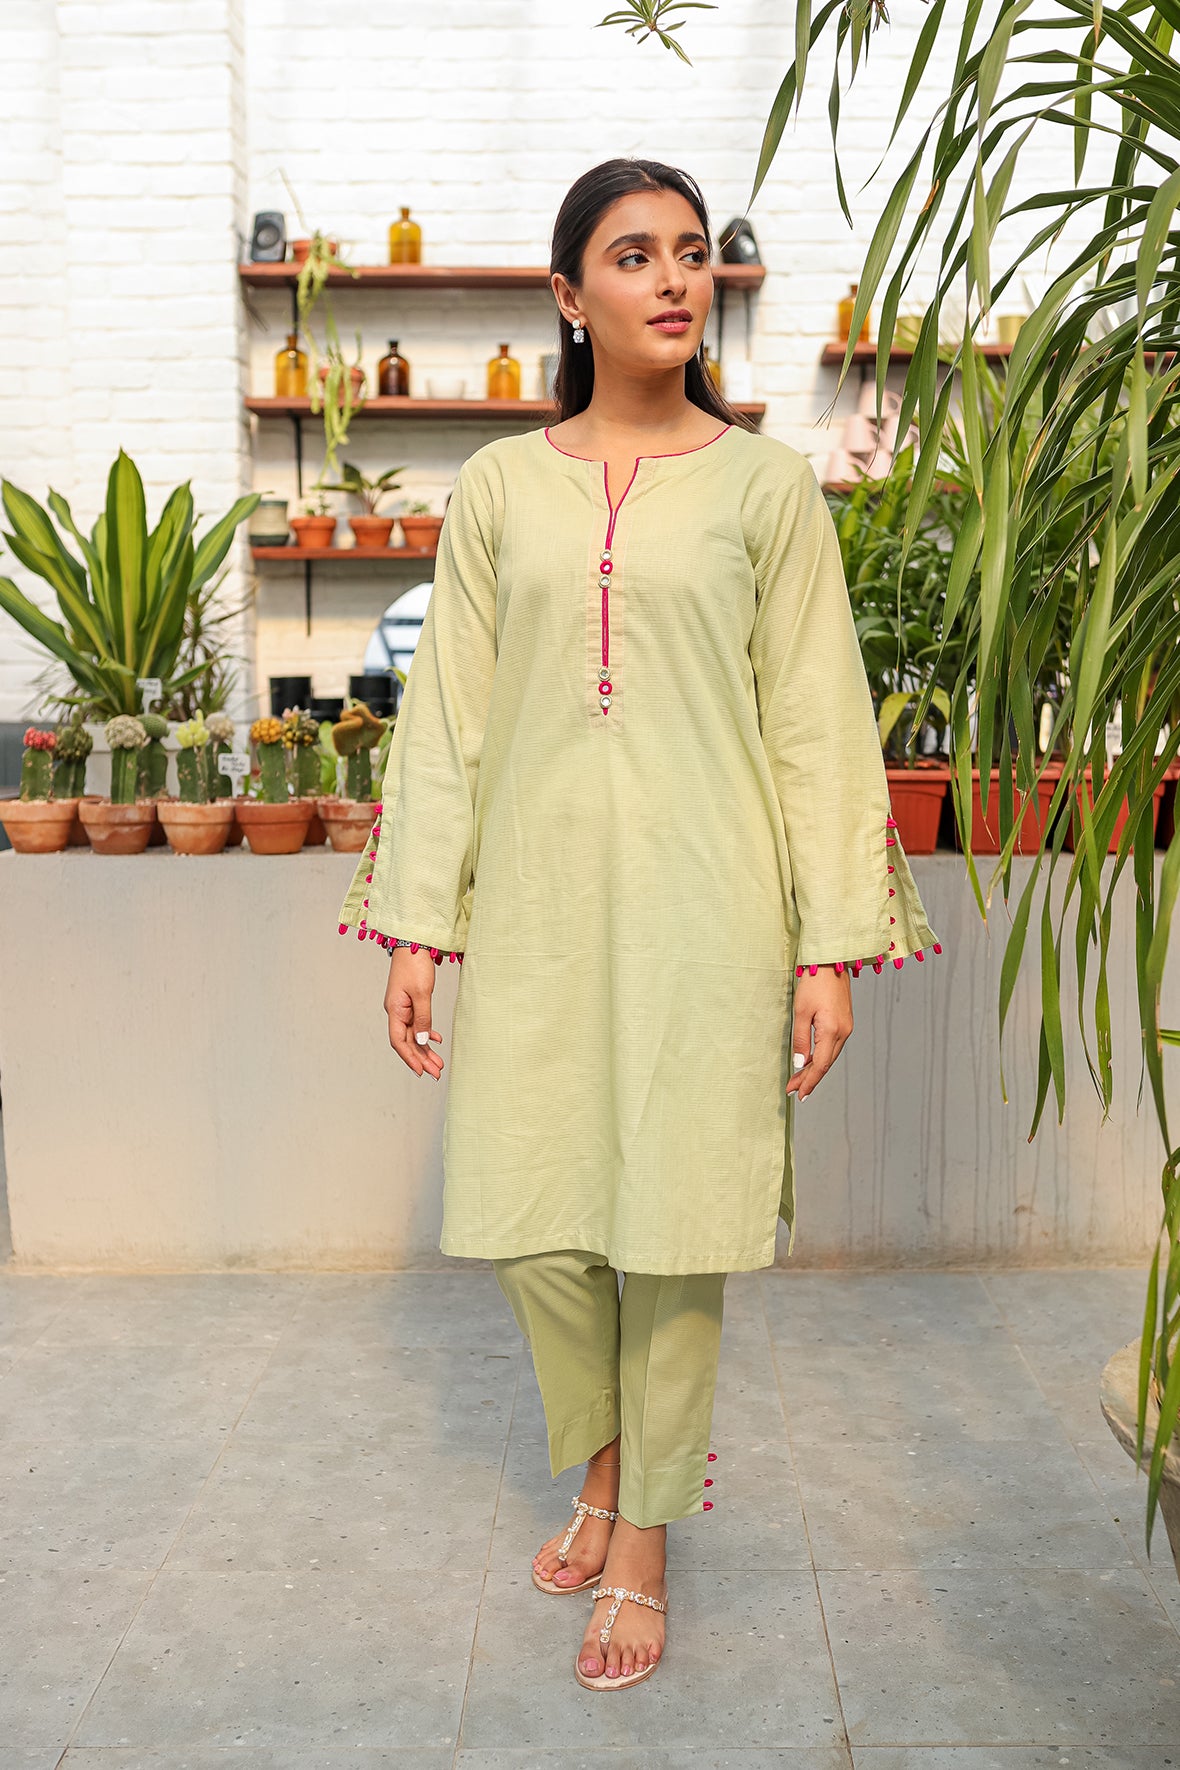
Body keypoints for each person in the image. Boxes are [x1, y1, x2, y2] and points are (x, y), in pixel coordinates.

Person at [336, 156, 942, 1691]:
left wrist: (827, 947)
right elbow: (449, 721)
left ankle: (646, 1531)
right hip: (539, 906)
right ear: (569, 295)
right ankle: (607, 1459)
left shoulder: (764, 489)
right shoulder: (499, 487)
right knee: (533, 1211)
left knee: (675, 1225)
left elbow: (818, 722)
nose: (672, 278)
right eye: (632, 254)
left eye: (688, 251)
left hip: (710, 910)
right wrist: (420, 926)